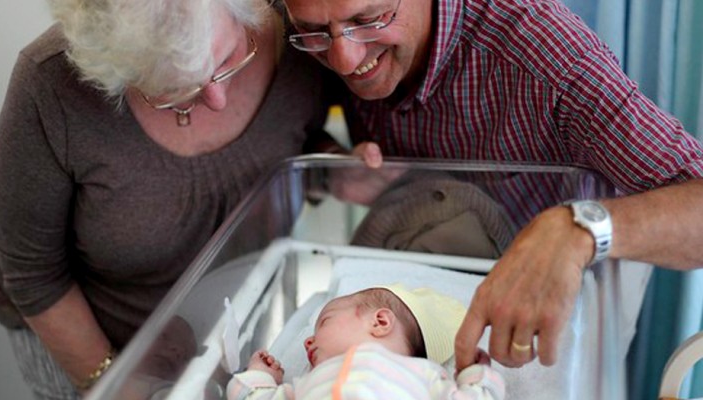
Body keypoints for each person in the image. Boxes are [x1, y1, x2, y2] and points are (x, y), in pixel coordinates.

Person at [279, 0, 703, 372]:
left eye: (368, 19)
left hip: (552, 292)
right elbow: (297, 130)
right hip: (408, 276)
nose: (346, 60)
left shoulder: (543, 50)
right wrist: (328, 163)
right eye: (315, 33)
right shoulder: (313, 31)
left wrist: (581, 229)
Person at [0, 0, 336, 397]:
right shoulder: (48, 86)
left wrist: (333, 170)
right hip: (97, 344)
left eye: (228, 59)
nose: (218, 98)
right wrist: (114, 382)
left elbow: (291, 142)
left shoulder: (302, 32)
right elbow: (33, 275)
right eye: (175, 92)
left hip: (243, 322)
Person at [227, 284, 505, 399]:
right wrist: (261, 378)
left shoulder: (427, 377)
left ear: (380, 322)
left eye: (325, 321)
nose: (308, 341)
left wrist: (474, 378)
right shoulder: (304, 385)